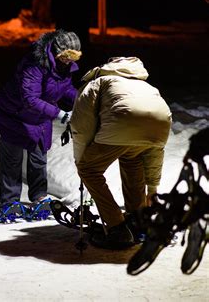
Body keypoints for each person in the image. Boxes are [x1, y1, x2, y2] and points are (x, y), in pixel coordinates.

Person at [70, 56, 172, 249]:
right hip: (159, 127)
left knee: (88, 169)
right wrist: (152, 188)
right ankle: (138, 220)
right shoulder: (148, 88)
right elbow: (156, 149)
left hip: (121, 124)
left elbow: (81, 123)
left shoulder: (101, 80)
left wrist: (81, 157)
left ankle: (117, 228)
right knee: (132, 159)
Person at [0, 29, 82, 206]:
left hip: (39, 118)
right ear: (57, 50)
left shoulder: (64, 67)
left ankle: (39, 196)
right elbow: (30, 99)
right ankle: (10, 201)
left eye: (75, 56)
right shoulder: (34, 64)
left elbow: (64, 88)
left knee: (39, 159)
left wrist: (81, 100)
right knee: (13, 161)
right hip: (12, 116)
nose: (70, 60)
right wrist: (59, 114)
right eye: (68, 55)